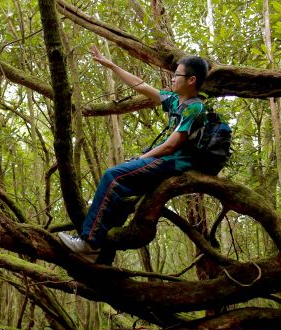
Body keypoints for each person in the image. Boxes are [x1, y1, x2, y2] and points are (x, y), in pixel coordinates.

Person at [58, 45, 210, 263]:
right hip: (167, 160)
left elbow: (171, 146)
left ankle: (88, 244)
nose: (173, 78)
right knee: (120, 194)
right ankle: (103, 252)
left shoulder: (194, 108)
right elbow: (141, 86)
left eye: (177, 75)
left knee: (113, 176)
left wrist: (143, 158)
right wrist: (111, 66)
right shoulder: (176, 101)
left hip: (175, 162)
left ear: (192, 80)